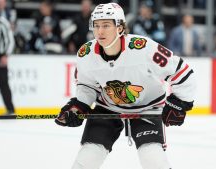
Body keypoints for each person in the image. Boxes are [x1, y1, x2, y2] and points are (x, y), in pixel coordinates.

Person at [55, 3, 195, 169]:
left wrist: (179, 103)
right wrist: (78, 108)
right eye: (96, 25)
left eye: (106, 25)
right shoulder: (86, 53)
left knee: (153, 159)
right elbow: (87, 85)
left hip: (148, 108)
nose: (100, 31)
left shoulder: (143, 48)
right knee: (86, 159)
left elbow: (182, 71)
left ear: (120, 27)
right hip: (108, 107)